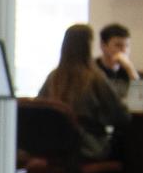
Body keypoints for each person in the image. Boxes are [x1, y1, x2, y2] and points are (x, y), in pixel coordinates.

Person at [36, 20, 128, 160]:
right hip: (87, 148)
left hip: (55, 147)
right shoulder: (94, 78)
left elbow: (39, 109)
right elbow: (121, 116)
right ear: (88, 46)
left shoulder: (53, 77)